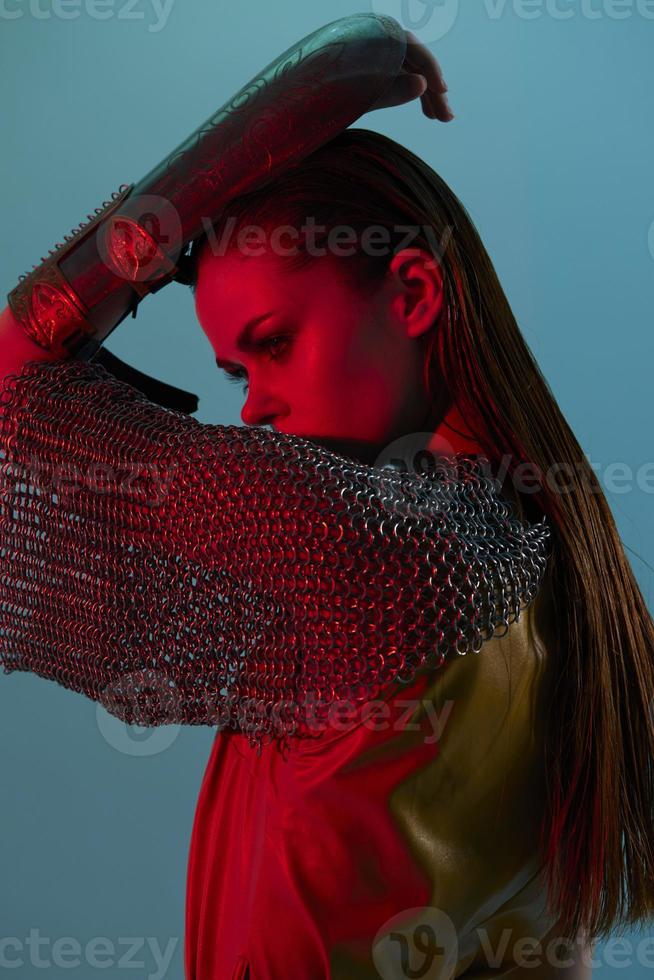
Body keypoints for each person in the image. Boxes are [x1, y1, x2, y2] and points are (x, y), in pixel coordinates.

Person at [1, 15, 653, 980]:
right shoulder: (569, 607)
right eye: (235, 377)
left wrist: (329, 78)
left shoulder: (383, 553)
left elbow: (14, 387)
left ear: (415, 294)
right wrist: (342, 69)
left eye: (274, 343)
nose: (257, 410)